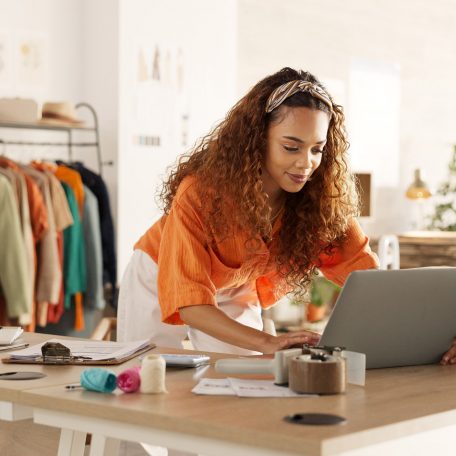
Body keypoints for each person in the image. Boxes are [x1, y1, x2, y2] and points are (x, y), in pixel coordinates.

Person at [117, 67, 379, 355]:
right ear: (257, 139)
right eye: (291, 147)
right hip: (157, 276)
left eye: (317, 149)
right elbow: (190, 302)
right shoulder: (200, 193)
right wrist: (268, 341)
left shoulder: (321, 202)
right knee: (149, 373)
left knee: (248, 378)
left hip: (233, 285)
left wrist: (433, 335)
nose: (306, 163)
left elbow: (369, 279)